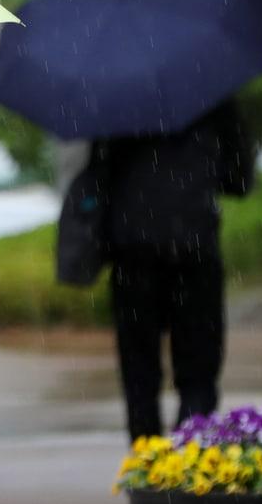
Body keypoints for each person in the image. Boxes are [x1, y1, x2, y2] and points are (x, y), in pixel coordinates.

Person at [100, 100, 253, 441]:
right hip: (194, 247)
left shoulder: (117, 96)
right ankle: (190, 468)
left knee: (139, 374)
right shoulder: (213, 94)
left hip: (132, 251)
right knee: (198, 373)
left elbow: (99, 177)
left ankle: (147, 470)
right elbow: (240, 179)